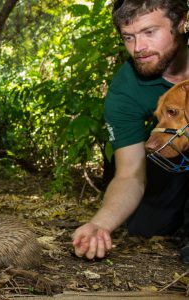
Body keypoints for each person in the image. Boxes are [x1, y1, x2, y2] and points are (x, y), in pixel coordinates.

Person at [72, 0, 189, 262]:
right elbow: (129, 174)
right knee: (145, 226)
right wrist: (101, 224)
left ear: (182, 22)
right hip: (173, 156)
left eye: (149, 32)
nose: (138, 48)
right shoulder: (126, 90)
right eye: (128, 37)